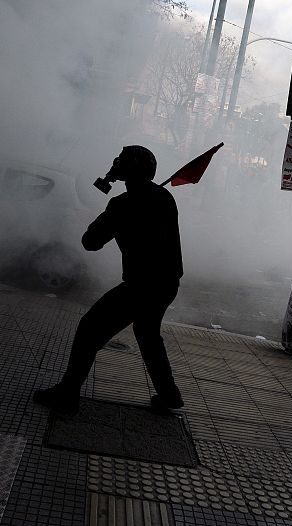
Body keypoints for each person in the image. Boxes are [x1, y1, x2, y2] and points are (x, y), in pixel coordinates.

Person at [32, 145, 184, 414]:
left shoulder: (122, 205)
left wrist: (108, 216)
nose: (114, 166)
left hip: (141, 287)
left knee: (89, 329)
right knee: (147, 334)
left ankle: (68, 394)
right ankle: (169, 395)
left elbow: (90, 242)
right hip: (167, 283)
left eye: (120, 164)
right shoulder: (164, 197)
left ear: (127, 171)